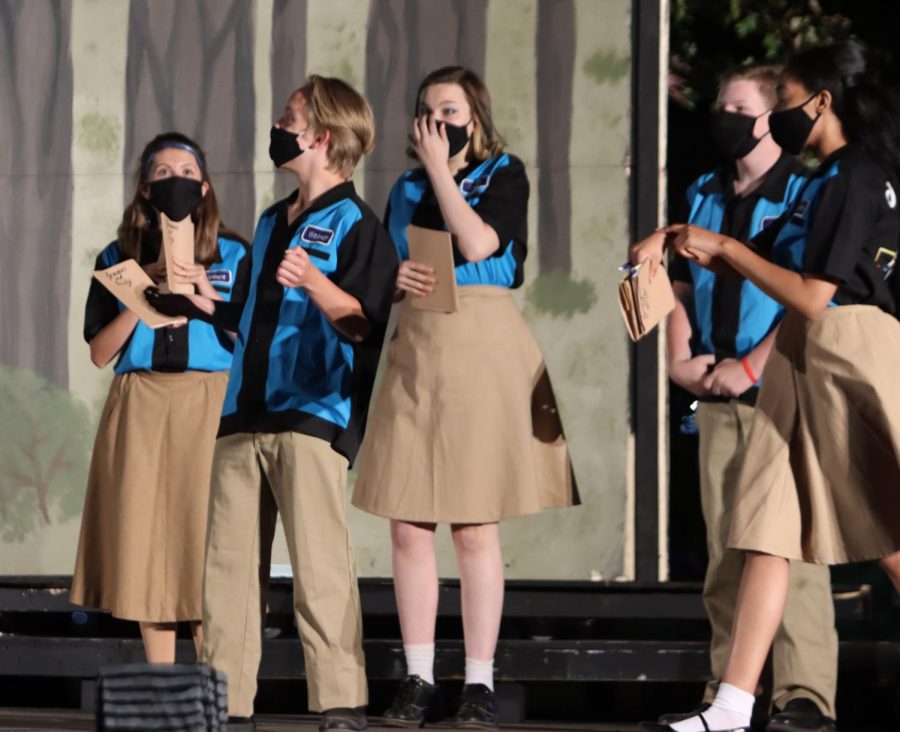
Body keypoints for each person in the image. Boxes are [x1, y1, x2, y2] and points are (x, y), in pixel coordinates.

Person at [632, 39, 900, 732]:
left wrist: (724, 248)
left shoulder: (854, 176)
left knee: (887, 528)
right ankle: (731, 704)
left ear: (822, 101)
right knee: (765, 529)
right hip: (803, 362)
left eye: (783, 105)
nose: (775, 120)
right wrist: (684, 239)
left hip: (845, 352)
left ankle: (787, 695)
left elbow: (813, 295)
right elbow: (766, 255)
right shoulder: (828, 181)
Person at [146, 75, 398, 732]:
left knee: (320, 568)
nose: (278, 128)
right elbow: (250, 313)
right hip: (242, 415)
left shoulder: (357, 223)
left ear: (322, 136)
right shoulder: (269, 218)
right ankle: (225, 707)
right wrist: (200, 302)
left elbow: (363, 321)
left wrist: (315, 281)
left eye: (289, 118)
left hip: (311, 414)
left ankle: (339, 705)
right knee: (226, 572)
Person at [351, 66, 579, 729]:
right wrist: (395, 280)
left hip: (481, 342)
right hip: (418, 346)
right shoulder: (405, 188)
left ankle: (478, 681)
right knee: (408, 520)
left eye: (449, 110)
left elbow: (481, 243)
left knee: (476, 523)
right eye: (426, 110)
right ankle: (418, 677)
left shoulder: (504, 174)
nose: (435, 120)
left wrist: (444, 169)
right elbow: (392, 265)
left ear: (474, 118)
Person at [664, 66, 837, 732]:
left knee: (788, 548)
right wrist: (681, 358)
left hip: (781, 393)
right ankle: (730, 691)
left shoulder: (804, 189)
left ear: (771, 117)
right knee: (724, 552)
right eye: (720, 104)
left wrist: (752, 366)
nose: (725, 115)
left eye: (740, 106)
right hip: (713, 396)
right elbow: (678, 283)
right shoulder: (704, 190)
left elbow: (813, 296)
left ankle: (804, 693)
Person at [70, 132, 251, 664]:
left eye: (187, 172)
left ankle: (218, 684)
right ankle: (162, 680)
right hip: (141, 403)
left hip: (209, 401)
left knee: (204, 535)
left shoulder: (234, 252)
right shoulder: (117, 256)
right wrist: (141, 292)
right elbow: (100, 352)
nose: (177, 181)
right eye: (164, 173)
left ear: (205, 185)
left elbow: (252, 338)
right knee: (146, 537)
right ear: (145, 188)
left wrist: (203, 294)